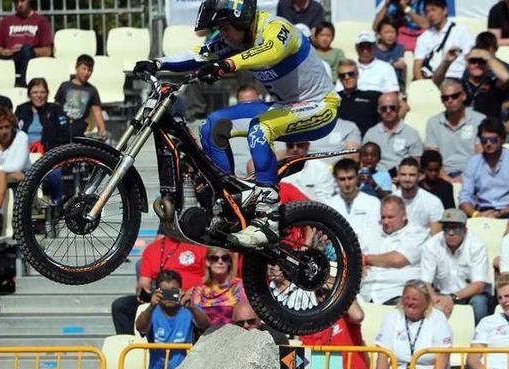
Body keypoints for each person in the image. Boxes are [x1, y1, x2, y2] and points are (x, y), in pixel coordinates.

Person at [140, 0, 339, 248]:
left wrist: (228, 63)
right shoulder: (235, 38)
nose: (221, 35)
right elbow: (199, 54)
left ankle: (269, 217)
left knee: (260, 129)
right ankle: (234, 203)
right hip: (284, 106)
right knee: (213, 125)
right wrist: (158, 64)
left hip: (320, 106)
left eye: (224, 28)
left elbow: (271, 51)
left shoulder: (277, 28)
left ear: (240, 20)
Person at [105, 270, 209, 369]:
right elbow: (140, 327)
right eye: (164, 292)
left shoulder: (189, 310)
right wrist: (151, 306)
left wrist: (193, 307)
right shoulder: (151, 312)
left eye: (173, 292)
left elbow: (206, 326)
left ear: (180, 291)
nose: (169, 296)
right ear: (156, 292)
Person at [110, 234, 207, 335]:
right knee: (121, 306)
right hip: (161, 297)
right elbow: (144, 282)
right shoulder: (152, 249)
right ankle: (130, 346)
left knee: (202, 308)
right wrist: (146, 295)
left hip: (189, 298)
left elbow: (209, 280)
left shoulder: (199, 247)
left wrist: (196, 292)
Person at [421, 208, 493, 323]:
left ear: (465, 229)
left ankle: (481, 337)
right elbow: (425, 281)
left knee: (479, 302)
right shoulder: (431, 245)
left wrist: (452, 298)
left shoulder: (477, 245)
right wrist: (434, 299)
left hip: (471, 295)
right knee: (422, 300)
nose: (451, 233)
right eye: (447, 228)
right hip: (441, 294)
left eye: (455, 228)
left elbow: (478, 285)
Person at [359, 196, 429, 304]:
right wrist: (358, 264)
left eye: (390, 217)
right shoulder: (370, 232)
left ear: (404, 216)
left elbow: (397, 259)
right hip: (364, 295)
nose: (386, 221)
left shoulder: (417, 233)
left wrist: (365, 259)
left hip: (396, 294)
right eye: (383, 217)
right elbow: (353, 255)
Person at [459, 118, 509, 218]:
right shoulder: (473, 162)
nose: (488, 144)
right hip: (481, 213)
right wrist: (476, 215)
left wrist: (499, 213)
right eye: (484, 140)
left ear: (502, 139)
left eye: (493, 140)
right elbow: (464, 197)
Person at [433, 35, 509, 119]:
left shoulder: (494, 84)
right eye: (472, 61)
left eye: (481, 61)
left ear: (488, 64)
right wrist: (446, 62)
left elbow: (506, 78)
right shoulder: (458, 84)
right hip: (463, 128)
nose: (476, 65)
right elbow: (437, 81)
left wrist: (488, 57)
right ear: (467, 63)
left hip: (488, 128)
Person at [424, 79, 487, 178]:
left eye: (454, 96)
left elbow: (482, 156)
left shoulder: (479, 120)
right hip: (441, 175)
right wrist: (447, 179)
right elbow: (432, 157)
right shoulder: (433, 123)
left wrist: (465, 177)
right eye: (445, 98)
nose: (450, 100)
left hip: (473, 174)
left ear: (463, 96)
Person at [413, 0, 474, 80]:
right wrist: (424, 86)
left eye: (434, 10)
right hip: (432, 80)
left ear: (445, 11)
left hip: (456, 78)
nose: (430, 14)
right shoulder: (423, 37)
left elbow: (470, 57)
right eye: (427, 12)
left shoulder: (460, 31)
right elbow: (417, 65)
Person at [363, 92, 423, 173]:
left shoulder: (411, 134)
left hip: (402, 178)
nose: (388, 111)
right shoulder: (371, 134)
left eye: (392, 107)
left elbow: (417, 163)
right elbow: (363, 162)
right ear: (378, 110)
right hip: (375, 178)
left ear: (399, 108)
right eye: (384, 108)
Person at [0, 0, 54, 81]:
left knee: (26, 50)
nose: (19, 4)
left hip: (32, 60)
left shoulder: (41, 21)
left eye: (22, 1)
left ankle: (24, 85)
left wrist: (27, 50)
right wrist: (3, 52)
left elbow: (48, 51)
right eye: (16, 2)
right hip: (11, 59)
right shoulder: (6, 22)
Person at [55, 54, 108, 140]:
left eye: (90, 70)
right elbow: (56, 105)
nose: (87, 72)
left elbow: (97, 111)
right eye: (84, 68)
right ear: (76, 68)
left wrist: (102, 129)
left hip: (79, 125)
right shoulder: (65, 86)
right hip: (63, 124)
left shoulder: (92, 90)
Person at [326, 159, 382, 239]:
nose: (347, 183)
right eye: (342, 179)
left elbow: (374, 232)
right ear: (336, 179)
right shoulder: (329, 205)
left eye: (350, 178)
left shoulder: (373, 202)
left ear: (357, 177)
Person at [189, 247, 245, 328]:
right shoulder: (199, 290)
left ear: (229, 262)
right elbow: (198, 323)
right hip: (207, 335)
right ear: (208, 262)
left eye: (225, 258)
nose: (220, 261)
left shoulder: (239, 286)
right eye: (215, 258)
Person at [15, 78, 70, 153]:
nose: (39, 95)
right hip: (23, 151)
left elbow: (65, 134)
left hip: (47, 153)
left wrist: (46, 147)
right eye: (35, 92)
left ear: (47, 94)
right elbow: (13, 131)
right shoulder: (21, 109)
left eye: (42, 92)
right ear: (29, 95)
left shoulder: (56, 110)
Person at [394, 157, 443, 231]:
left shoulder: (433, 202)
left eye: (412, 175)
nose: (407, 179)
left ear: (419, 176)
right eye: (403, 175)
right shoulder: (391, 200)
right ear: (398, 175)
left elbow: (436, 235)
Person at [337, 59, 381, 135]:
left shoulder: (372, 96)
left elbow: (402, 106)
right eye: (342, 75)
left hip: (366, 142)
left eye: (350, 74)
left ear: (357, 75)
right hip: (340, 142)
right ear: (339, 79)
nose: (347, 77)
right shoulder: (334, 98)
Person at [0, 106, 30, 182]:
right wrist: (8, 174)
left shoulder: (22, 136)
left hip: (23, 180)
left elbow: (18, 167)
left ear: (12, 125)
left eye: (7, 126)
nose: (4, 131)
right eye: (0, 128)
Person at [374, 20, 407, 90]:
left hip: (394, 85)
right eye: (386, 32)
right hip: (377, 85)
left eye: (392, 32)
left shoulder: (399, 48)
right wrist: (393, 65)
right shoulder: (373, 51)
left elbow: (400, 64)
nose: (390, 35)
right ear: (379, 35)